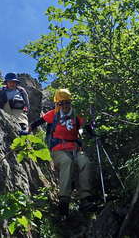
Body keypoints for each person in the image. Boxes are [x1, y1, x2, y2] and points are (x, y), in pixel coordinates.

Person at [29, 89, 94, 217]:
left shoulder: (76, 115)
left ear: (70, 103)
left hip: (75, 148)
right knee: (67, 162)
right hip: (58, 149)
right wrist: (27, 130)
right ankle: (64, 199)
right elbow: (37, 123)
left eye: (67, 103)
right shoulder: (53, 114)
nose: (65, 106)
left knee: (85, 162)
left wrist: (93, 133)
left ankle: (85, 198)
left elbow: (86, 127)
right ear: (57, 104)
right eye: (62, 103)